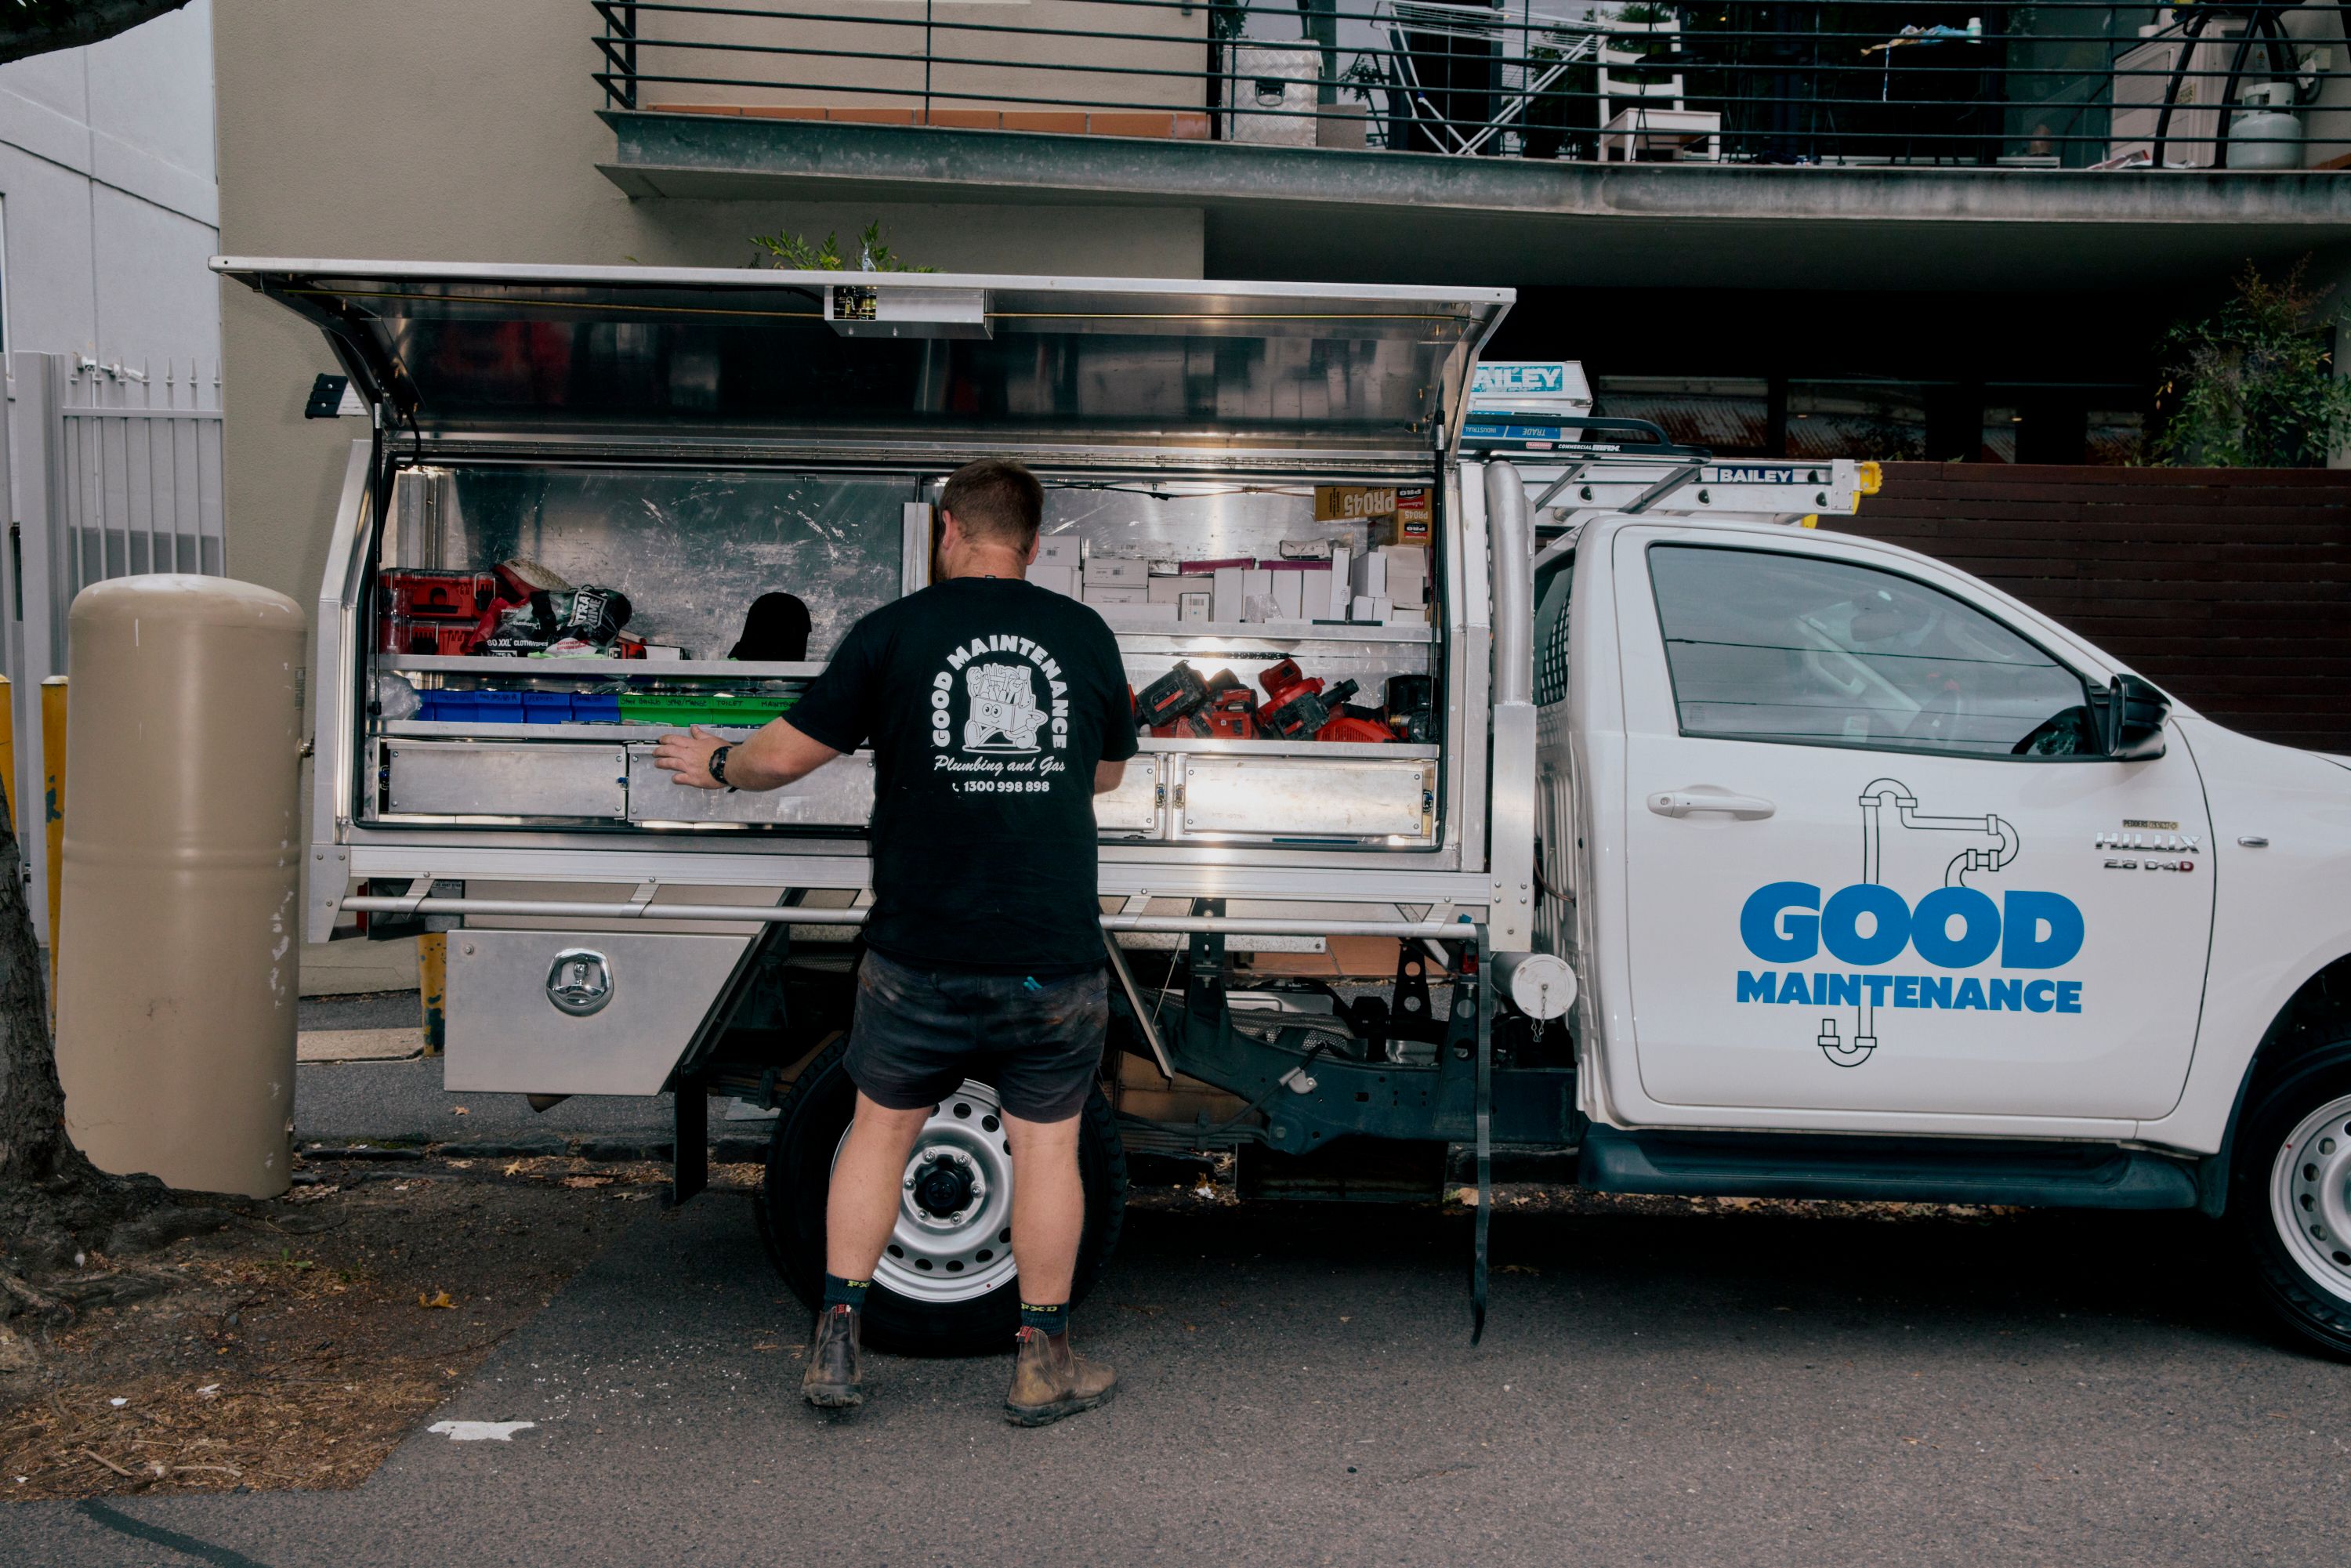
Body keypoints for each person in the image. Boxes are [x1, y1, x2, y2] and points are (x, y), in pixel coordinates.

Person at [653, 457, 1135, 1427]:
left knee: (879, 1131)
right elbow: (1109, 775)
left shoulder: (894, 632)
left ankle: (838, 1344)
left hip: (920, 951)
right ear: (1033, 547)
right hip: (1051, 952)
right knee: (1049, 1151)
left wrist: (713, 761)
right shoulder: (1082, 633)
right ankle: (1043, 1364)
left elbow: (781, 757)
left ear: (947, 532)